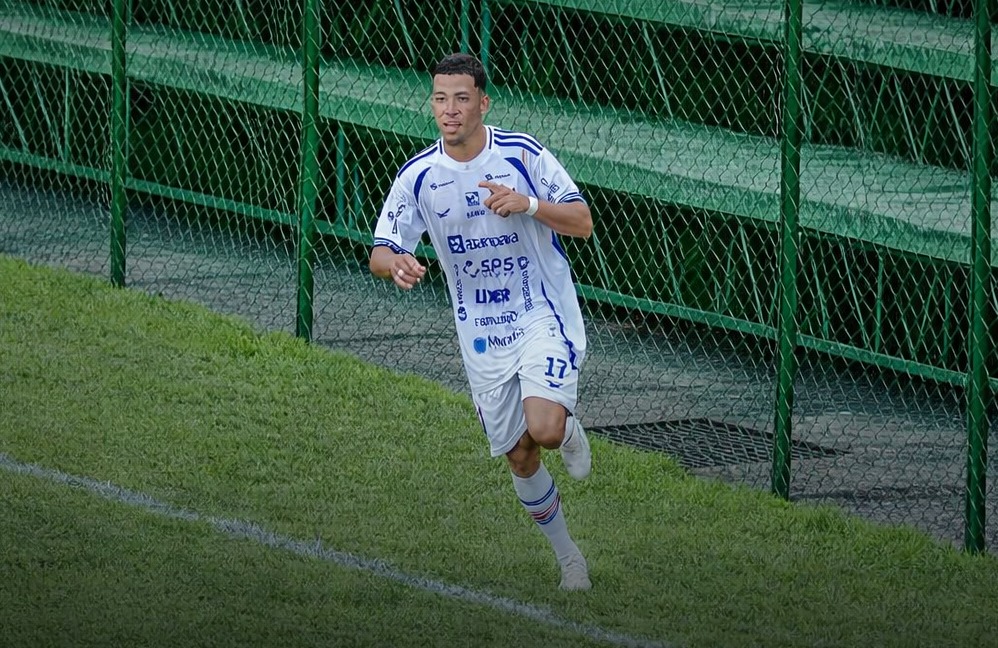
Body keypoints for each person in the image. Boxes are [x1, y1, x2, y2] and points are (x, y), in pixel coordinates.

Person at [368, 53, 594, 591]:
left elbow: (582, 221)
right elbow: (380, 249)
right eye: (440, 98)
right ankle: (570, 558)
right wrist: (396, 264)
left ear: (483, 103)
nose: (450, 110)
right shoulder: (419, 176)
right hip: (481, 337)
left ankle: (566, 431)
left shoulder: (521, 154)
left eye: (461, 98)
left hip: (539, 314)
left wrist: (528, 204)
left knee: (544, 429)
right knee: (519, 455)